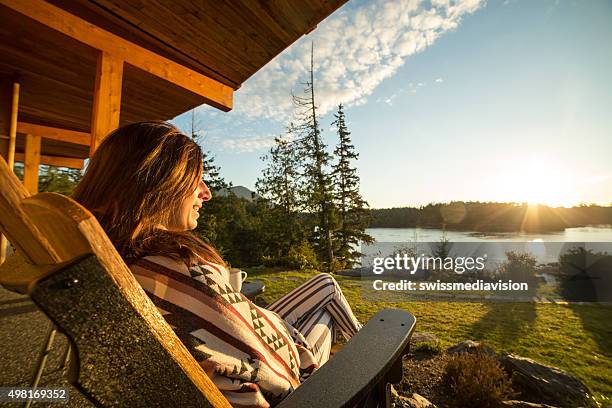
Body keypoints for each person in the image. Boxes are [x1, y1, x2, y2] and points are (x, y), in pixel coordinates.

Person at [72, 121, 362, 408]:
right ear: (160, 184)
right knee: (330, 302)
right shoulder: (177, 269)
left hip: (245, 344)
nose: (206, 192)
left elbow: (223, 328)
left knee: (324, 283)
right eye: (195, 180)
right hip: (291, 382)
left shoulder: (111, 259)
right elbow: (277, 371)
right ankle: (368, 349)